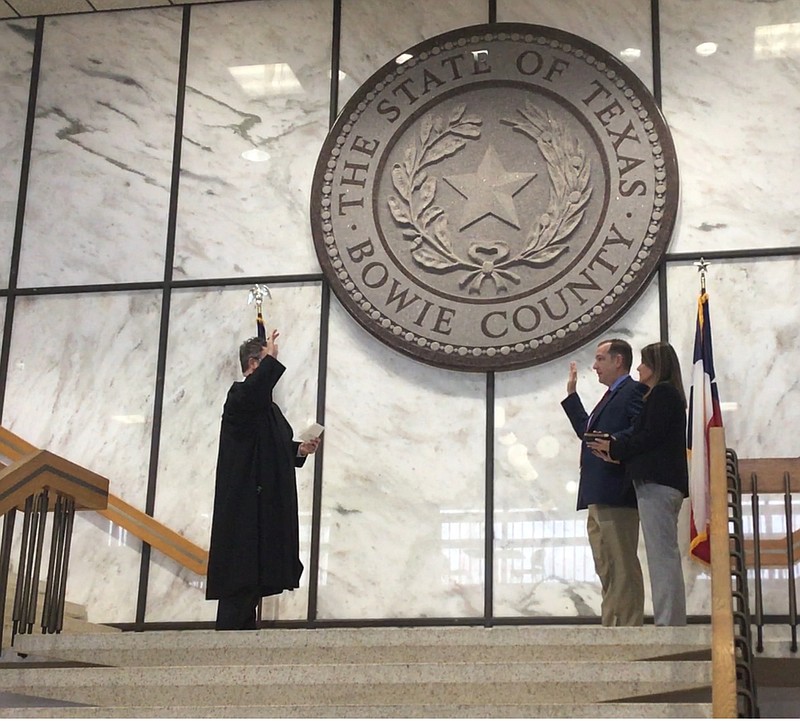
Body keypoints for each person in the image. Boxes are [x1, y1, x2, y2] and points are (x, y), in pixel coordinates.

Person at [206, 330, 321, 630]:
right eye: (266, 362)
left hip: (263, 509)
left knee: (253, 580)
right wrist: (271, 360)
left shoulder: (268, 411)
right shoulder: (239, 397)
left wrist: (300, 449)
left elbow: (275, 446)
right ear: (254, 365)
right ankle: (227, 644)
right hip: (244, 508)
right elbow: (253, 395)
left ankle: (240, 639)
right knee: (240, 579)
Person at [588, 341, 688, 626]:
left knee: (661, 558)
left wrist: (615, 448)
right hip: (656, 484)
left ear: (656, 367)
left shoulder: (663, 394)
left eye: (644, 363)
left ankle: (669, 623)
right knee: (661, 555)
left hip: (657, 482)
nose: (639, 368)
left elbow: (647, 437)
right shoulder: (663, 395)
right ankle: (668, 620)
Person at [561, 338, 645, 626]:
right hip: (597, 492)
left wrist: (615, 443)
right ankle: (612, 625)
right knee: (606, 566)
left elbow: (638, 433)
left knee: (621, 565)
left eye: (600, 359)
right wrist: (572, 396)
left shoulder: (633, 391)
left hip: (616, 491)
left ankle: (628, 628)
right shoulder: (610, 395)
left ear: (618, 360)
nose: (594, 366)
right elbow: (589, 433)